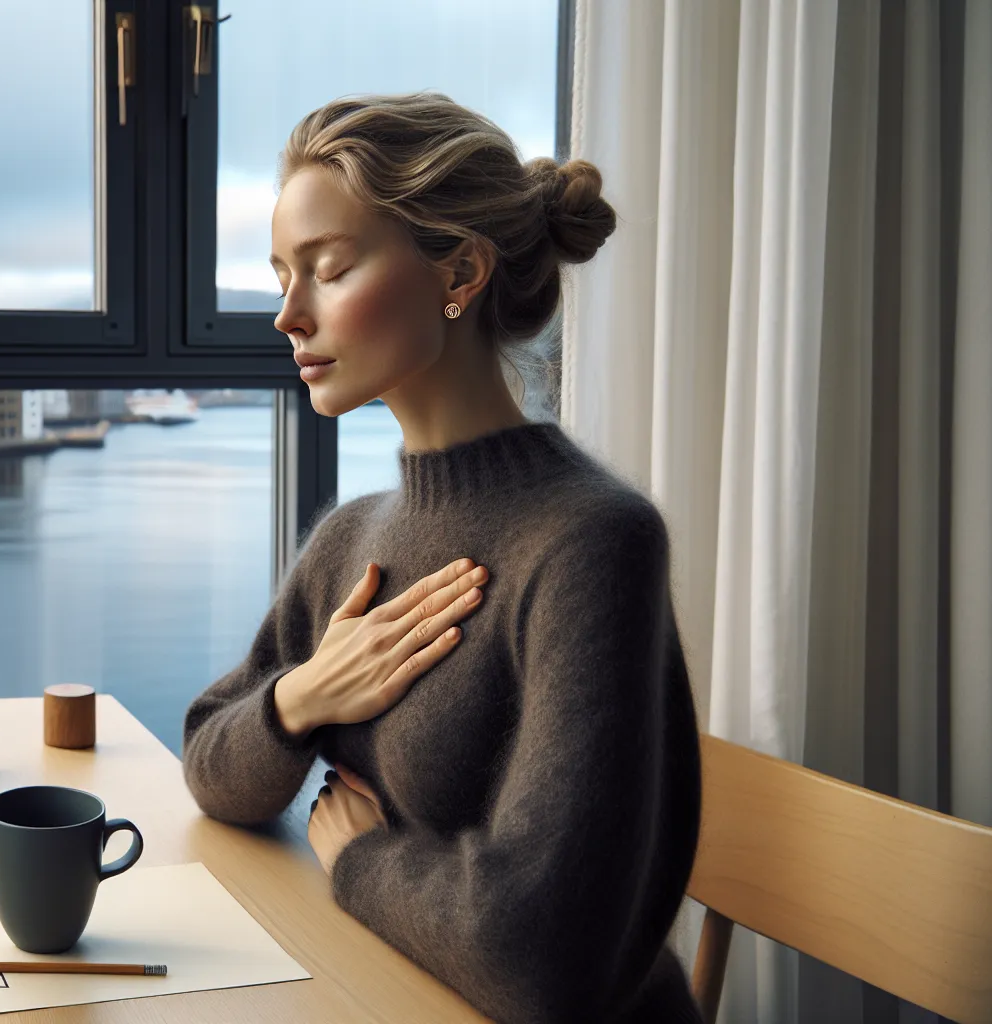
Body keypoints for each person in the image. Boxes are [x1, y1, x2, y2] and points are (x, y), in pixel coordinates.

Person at [182, 92, 703, 1024]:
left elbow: (540, 961)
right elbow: (209, 764)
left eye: (329, 269)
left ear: (459, 271)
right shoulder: (352, 539)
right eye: (280, 276)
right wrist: (305, 696)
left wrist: (359, 859)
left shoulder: (593, 544)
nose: (287, 316)